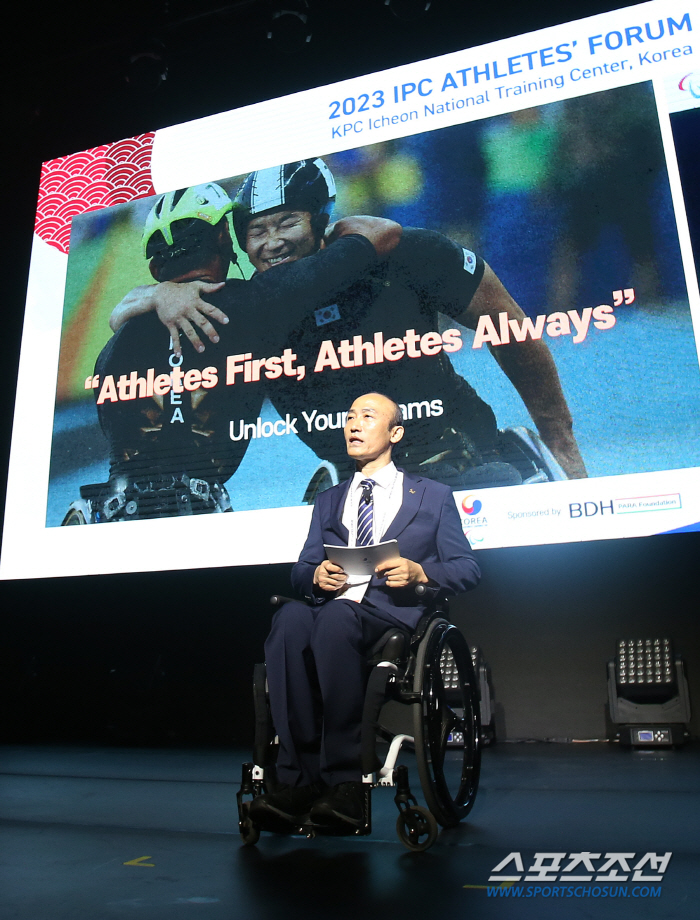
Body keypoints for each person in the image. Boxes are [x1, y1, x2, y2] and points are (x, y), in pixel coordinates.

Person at [111, 158, 587, 488]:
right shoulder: (246, 300)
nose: (271, 243)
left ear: (321, 221)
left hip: (465, 454)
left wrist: (559, 436)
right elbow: (124, 314)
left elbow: (508, 325)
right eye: (257, 231)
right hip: (353, 481)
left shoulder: (403, 254)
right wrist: (161, 293)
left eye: (287, 224)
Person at [91, 182, 401, 520]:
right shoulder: (256, 301)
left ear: (155, 269)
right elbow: (380, 234)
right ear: (225, 239)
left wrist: (154, 294)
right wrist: (326, 224)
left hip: (116, 517)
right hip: (198, 515)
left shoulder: (112, 347)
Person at [249, 392, 481, 830]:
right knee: (289, 618)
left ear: (394, 433)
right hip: (332, 611)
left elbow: (468, 569)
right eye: (350, 415)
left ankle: (345, 782)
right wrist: (316, 576)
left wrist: (420, 572)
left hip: (388, 620)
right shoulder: (329, 499)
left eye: (367, 416)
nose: (354, 424)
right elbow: (302, 569)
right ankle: (295, 779)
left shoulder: (433, 496)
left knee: (335, 618)